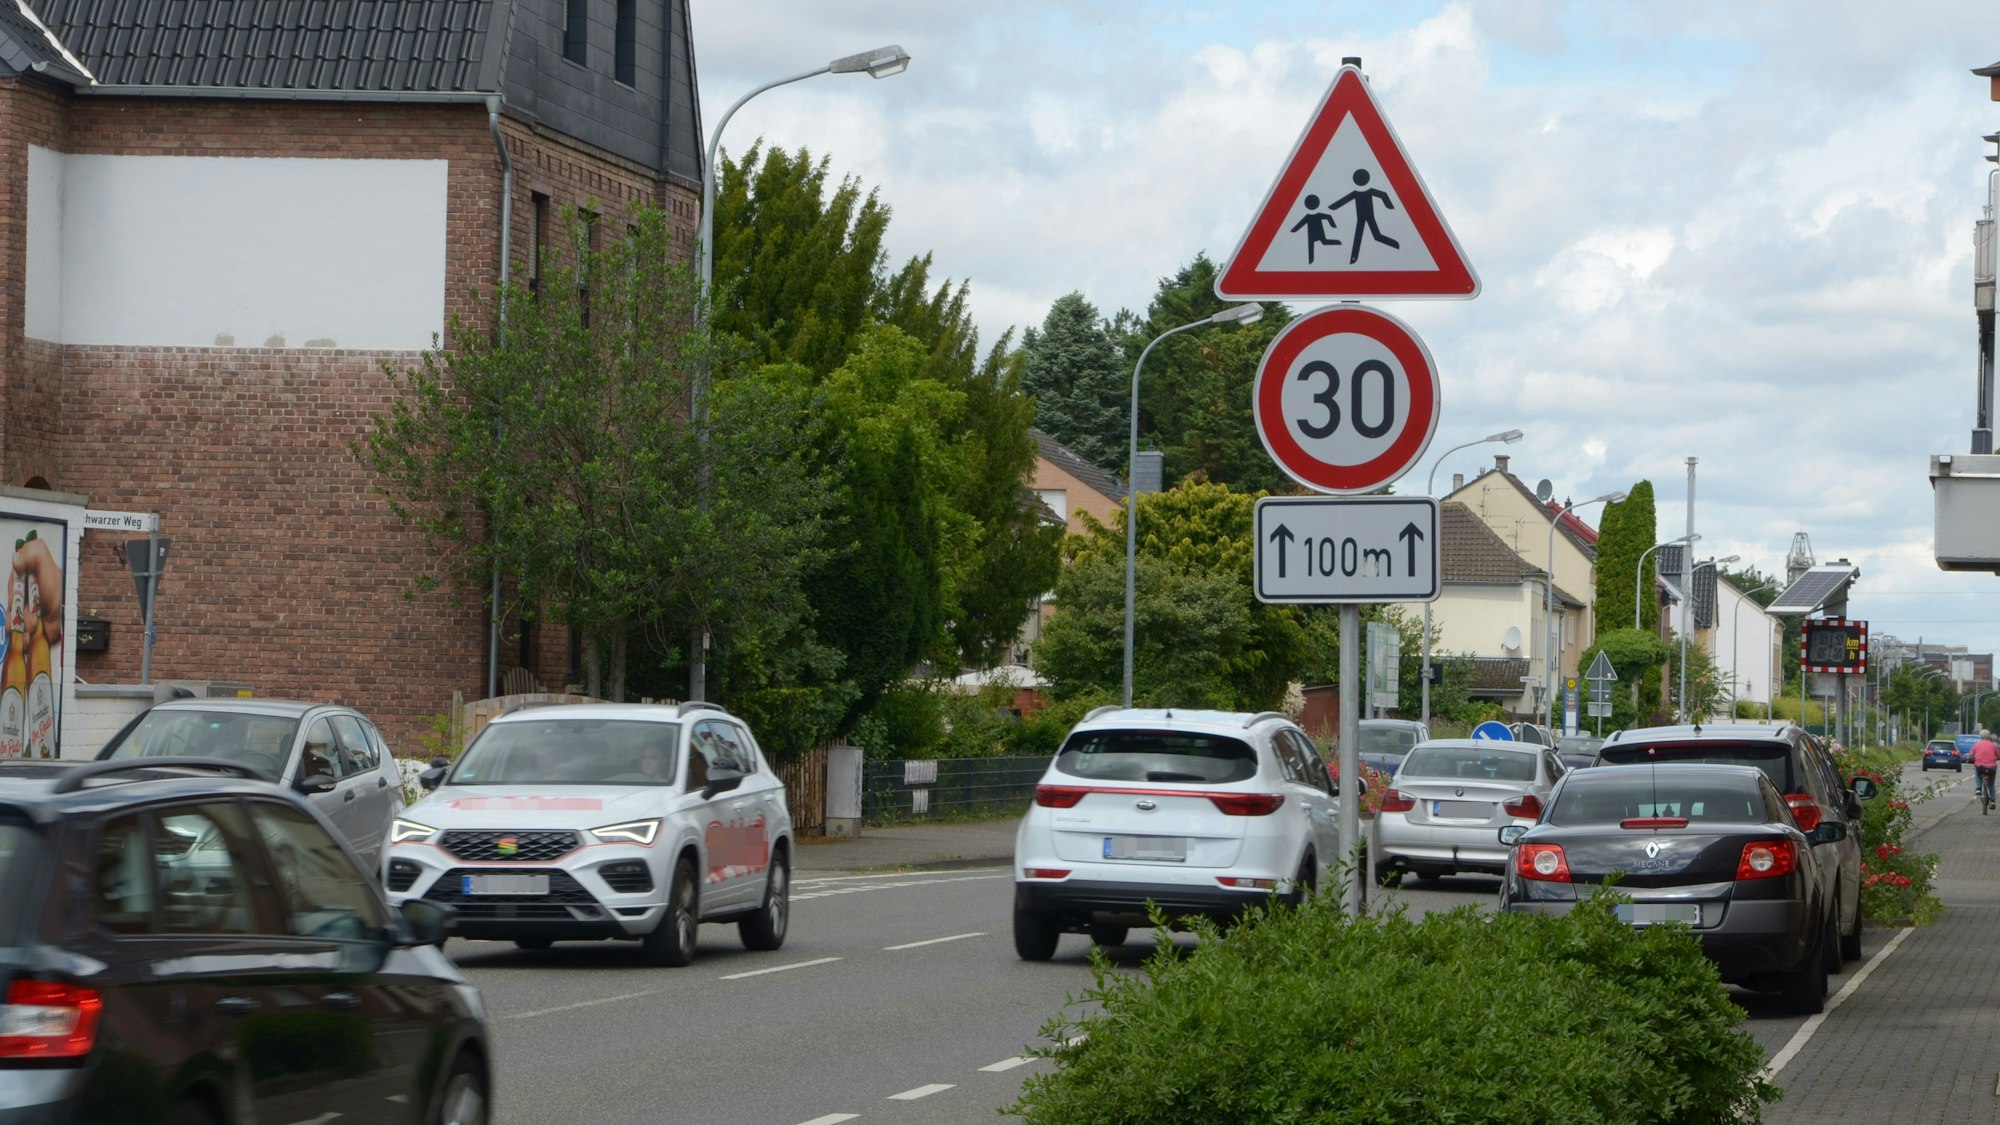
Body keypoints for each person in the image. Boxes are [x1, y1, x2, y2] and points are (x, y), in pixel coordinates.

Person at [1971, 729, 2000, 804]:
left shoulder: (1976, 744)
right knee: (1991, 784)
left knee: (1977, 774)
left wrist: (1971, 758)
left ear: (1981, 736)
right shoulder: (1993, 745)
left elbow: (1971, 755)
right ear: (1989, 736)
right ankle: (1993, 801)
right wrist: (1995, 758)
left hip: (1980, 766)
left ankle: (1978, 788)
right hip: (1991, 767)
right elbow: (1998, 756)